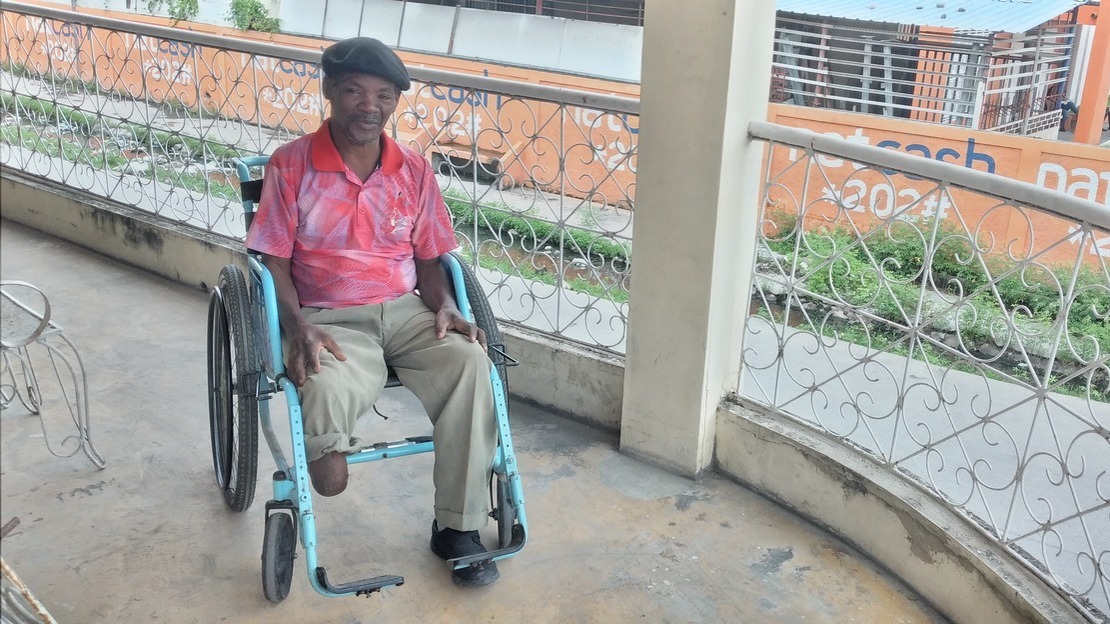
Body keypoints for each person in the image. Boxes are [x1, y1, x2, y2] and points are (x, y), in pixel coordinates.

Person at [245, 37, 500, 588]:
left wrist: (449, 307)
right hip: (329, 318)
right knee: (326, 432)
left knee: (470, 364)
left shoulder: (411, 169)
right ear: (331, 92)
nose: (370, 106)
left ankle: (458, 528)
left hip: (409, 312)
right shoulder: (291, 165)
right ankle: (327, 451)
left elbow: (432, 259)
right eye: (355, 91)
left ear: (394, 103)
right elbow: (273, 263)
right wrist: (297, 326)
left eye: (384, 95)